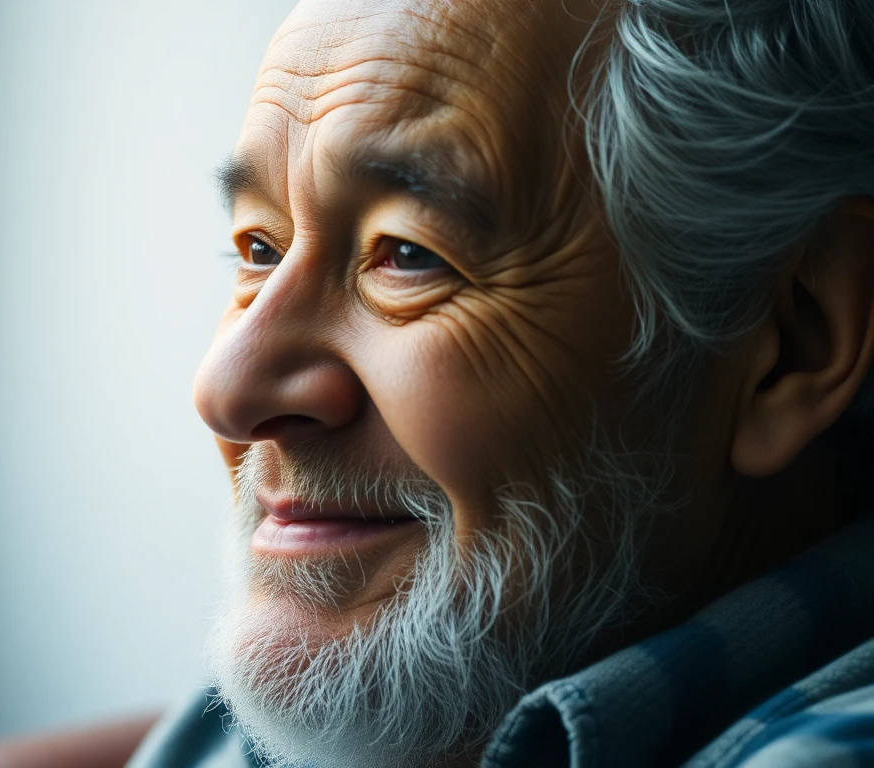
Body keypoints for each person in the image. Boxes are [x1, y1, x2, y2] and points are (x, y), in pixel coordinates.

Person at [122, 0, 874, 765]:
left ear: (793, 344)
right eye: (260, 248)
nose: (226, 391)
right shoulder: (434, 659)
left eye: (409, 255)